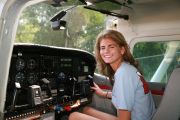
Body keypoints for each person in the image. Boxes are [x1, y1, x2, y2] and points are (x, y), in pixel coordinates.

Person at [68, 29, 155, 120]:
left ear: (122, 50)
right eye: (103, 48)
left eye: (111, 46)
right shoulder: (127, 68)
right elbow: (127, 94)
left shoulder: (123, 74)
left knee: (73, 116)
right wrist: (103, 94)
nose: (106, 51)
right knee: (87, 110)